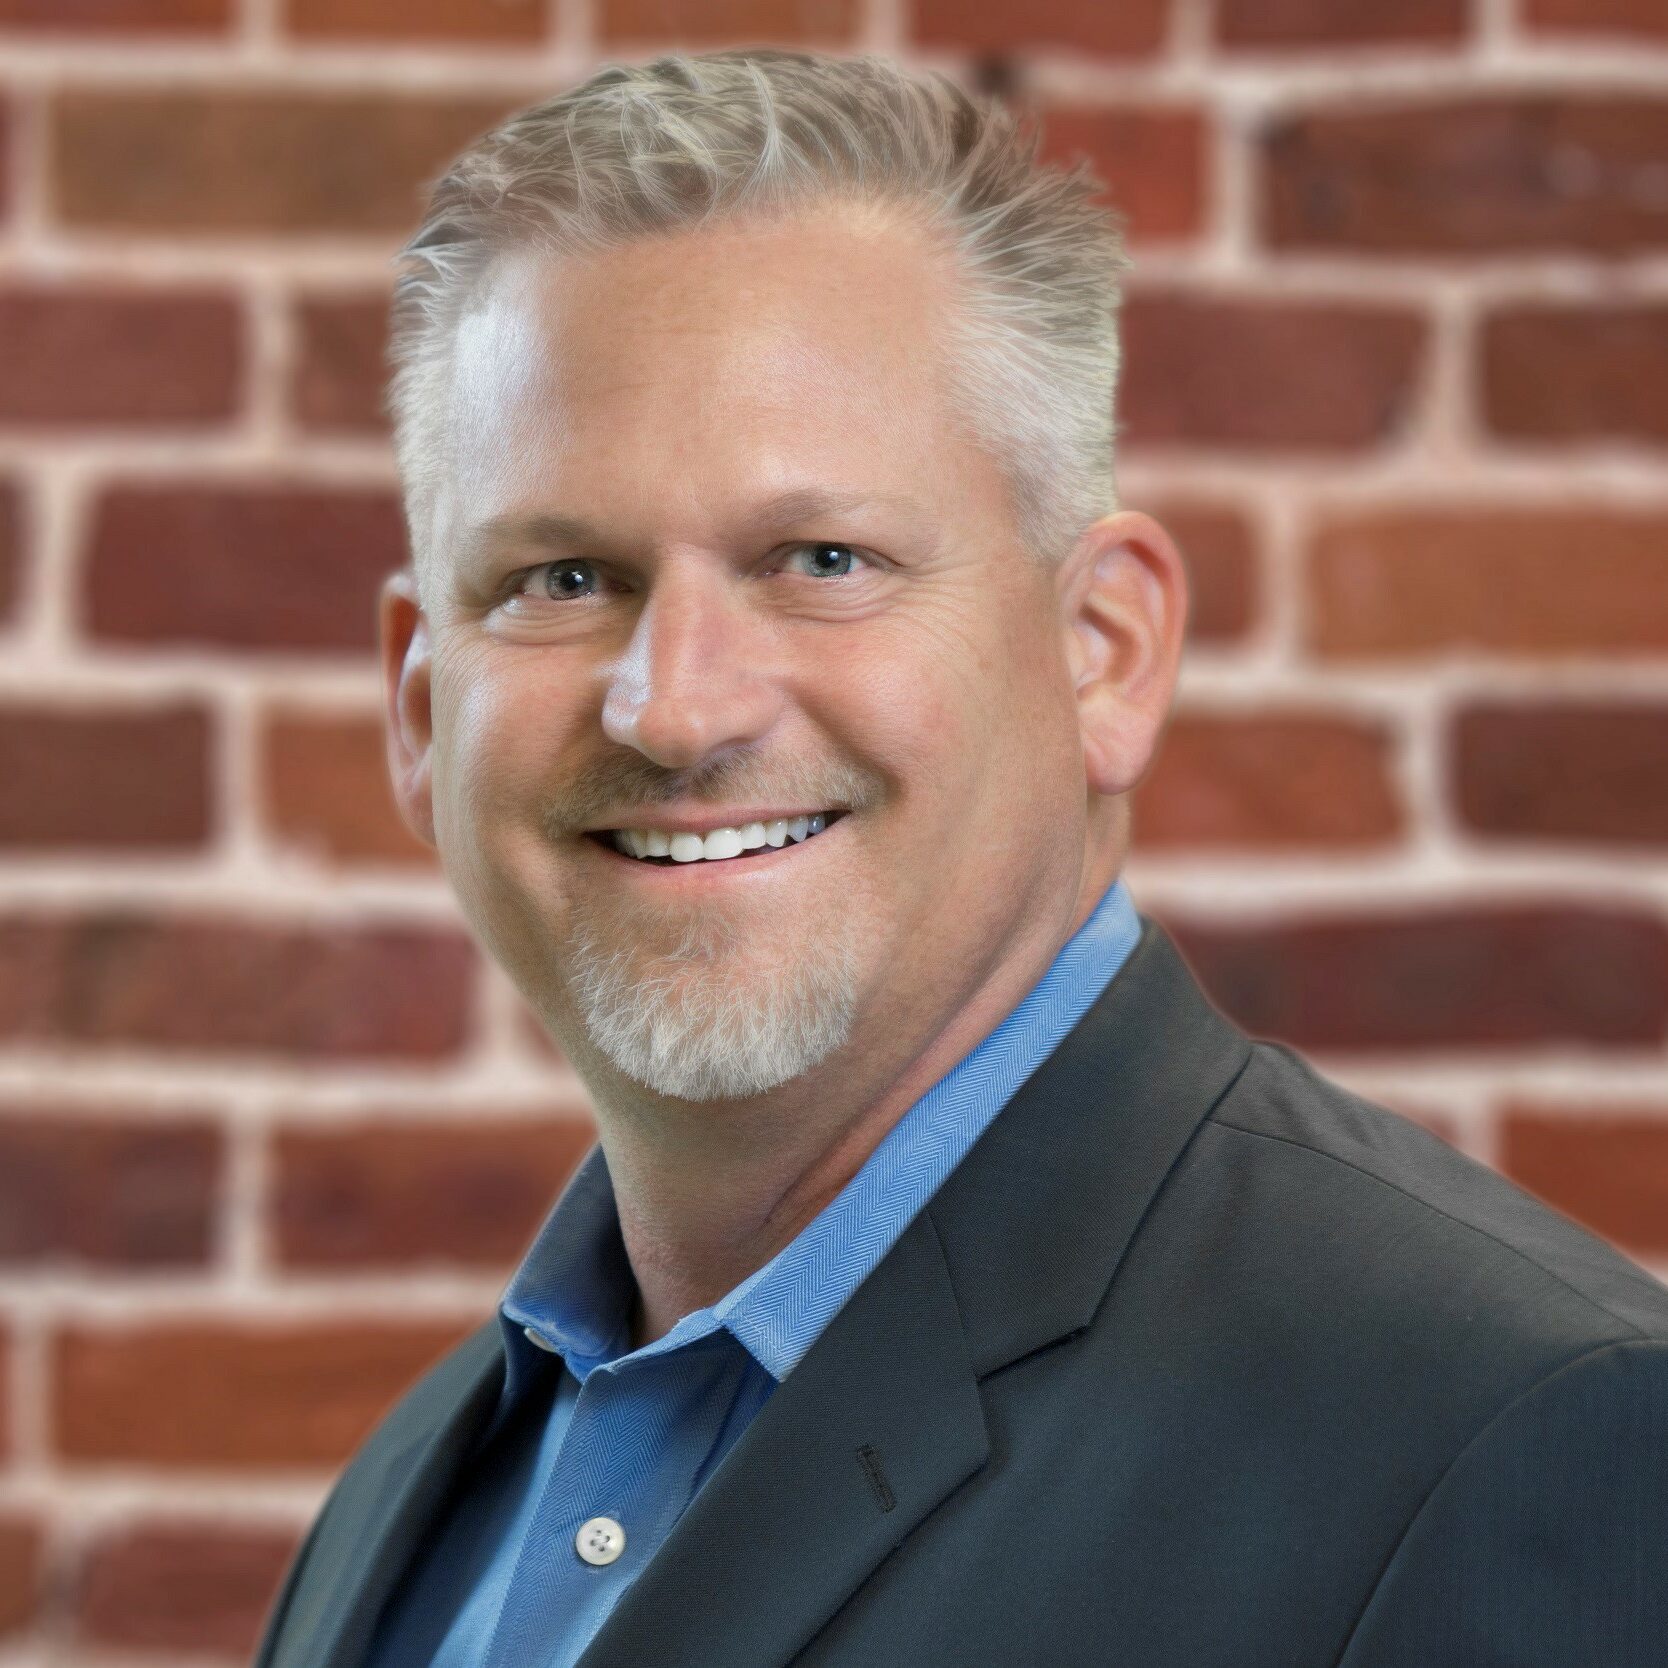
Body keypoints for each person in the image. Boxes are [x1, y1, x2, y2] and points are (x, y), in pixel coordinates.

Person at [252, 47, 1668, 1668]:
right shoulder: (416, 1505)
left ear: (1103, 648)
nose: (676, 706)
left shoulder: (1512, 1441)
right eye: (564, 578)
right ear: (422, 715)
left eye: (823, 558)